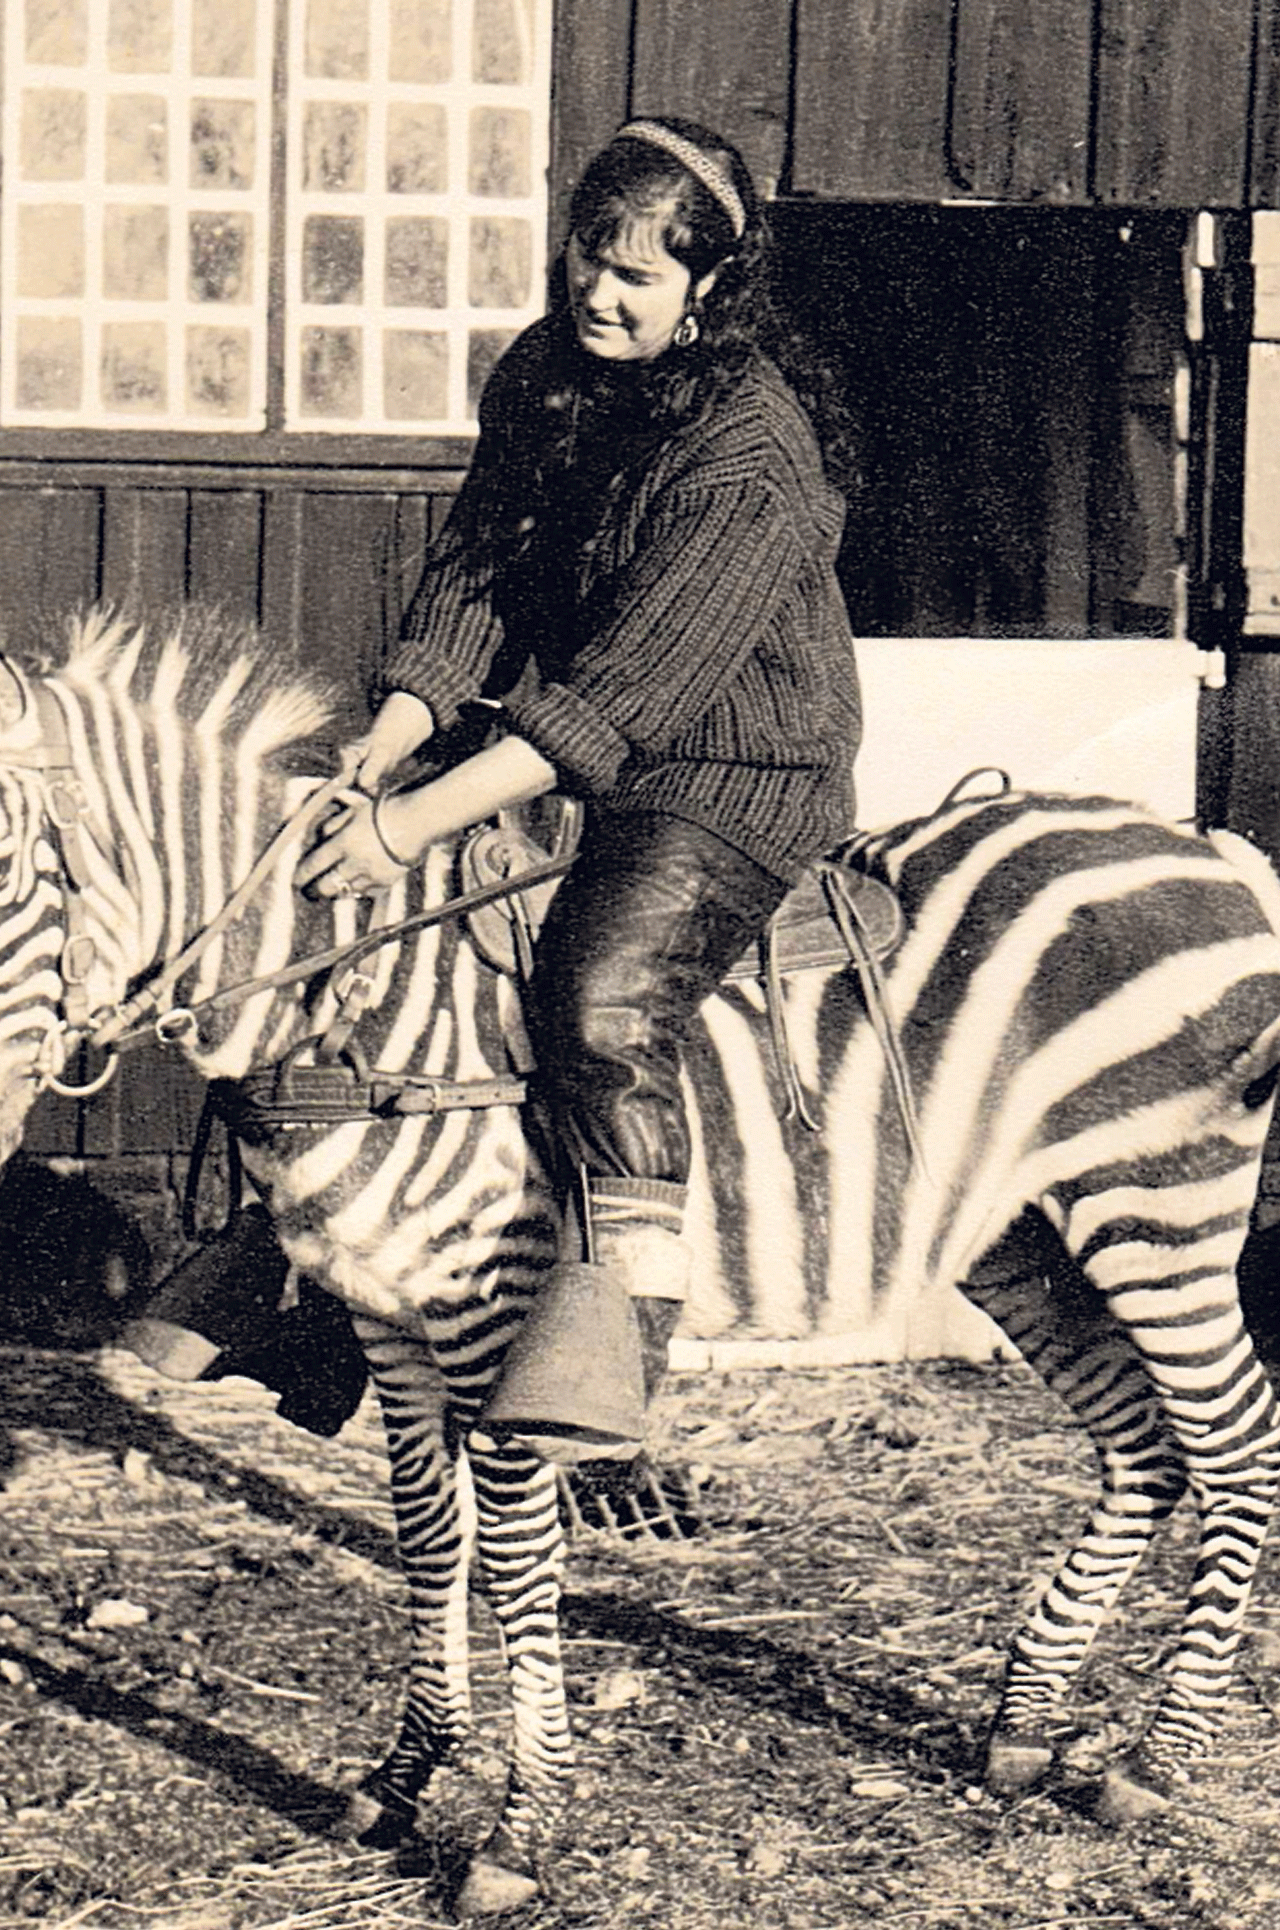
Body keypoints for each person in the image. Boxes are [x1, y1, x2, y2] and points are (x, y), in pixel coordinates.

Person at [296, 117, 862, 1465]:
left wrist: (414, 820)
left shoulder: (752, 447)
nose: (600, 297)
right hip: (575, 736)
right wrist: (390, 735)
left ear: (711, 288)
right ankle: (310, 1280)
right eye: (588, 261)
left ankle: (617, 1323)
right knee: (343, 918)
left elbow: (620, 703)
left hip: (731, 771)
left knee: (595, 996)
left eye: (640, 278)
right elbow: (477, 570)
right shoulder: (547, 371)